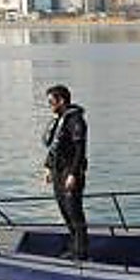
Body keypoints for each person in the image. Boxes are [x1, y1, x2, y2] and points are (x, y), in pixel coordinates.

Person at [42, 84, 89, 260]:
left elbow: (80, 150)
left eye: (51, 102)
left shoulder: (75, 121)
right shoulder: (59, 120)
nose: (49, 106)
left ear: (61, 101)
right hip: (57, 171)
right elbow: (54, 146)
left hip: (70, 172)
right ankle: (73, 246)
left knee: (74, 212)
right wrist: (48, 167)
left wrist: (73, 174)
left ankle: (82, 252)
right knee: (64, 211)